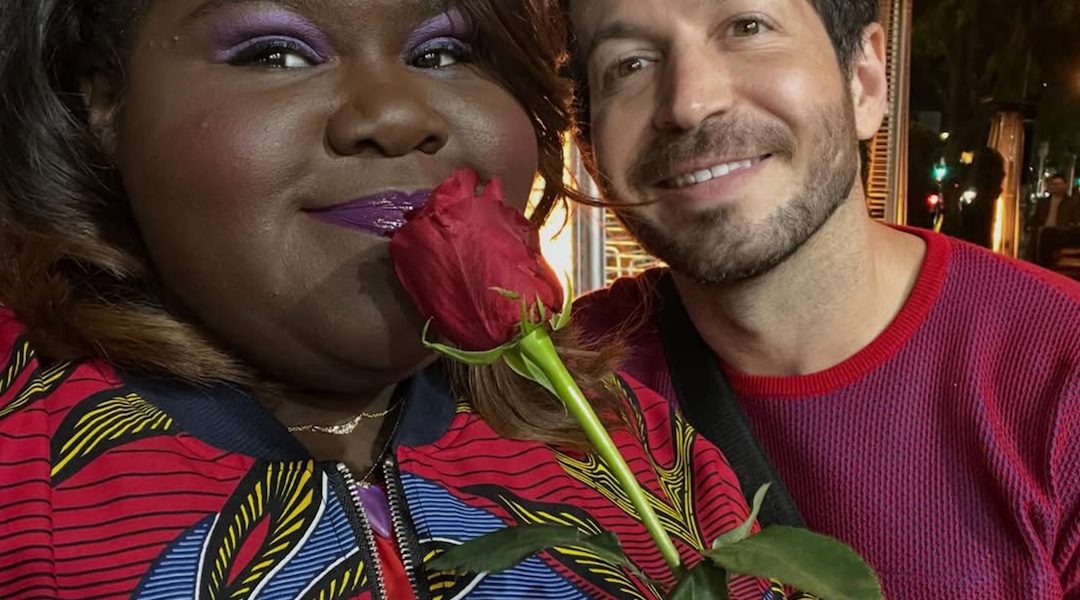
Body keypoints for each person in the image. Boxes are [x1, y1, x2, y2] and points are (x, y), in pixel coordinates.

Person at [0, 1, 770, 599]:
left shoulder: (643, 453)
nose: (398, 116)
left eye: (443, 52)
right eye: (274, 53)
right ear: (105, 103)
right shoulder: (22, 477)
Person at [559, 0, 1080, 597]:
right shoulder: (554, 391)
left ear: (863, 80)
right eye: (629, 64)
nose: (688, 103)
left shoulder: (1059, 374)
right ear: (590, 146)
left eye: (747, 28)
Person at [1031, 173, 1080, 266]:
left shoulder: (1071, 203)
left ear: (1065, 185)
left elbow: (1075, 220)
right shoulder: (1043, 202)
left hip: (1060, 232)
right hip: (1043, 231)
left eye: (1059, 184)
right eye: (1054, 184)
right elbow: (1036, 217)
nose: (1057, 187)